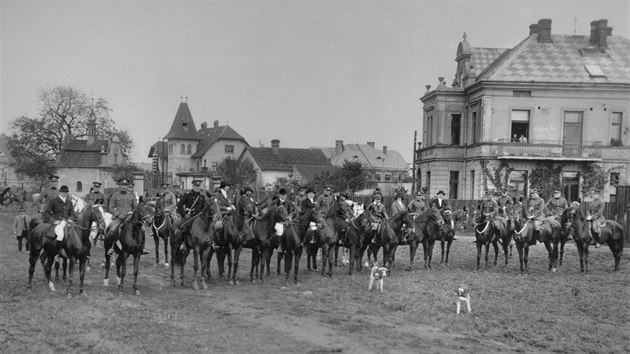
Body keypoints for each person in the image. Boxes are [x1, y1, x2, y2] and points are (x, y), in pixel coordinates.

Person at [42, 185, 76, 255]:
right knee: (60, 235)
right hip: (58, 222)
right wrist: (54, 221)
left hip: (67, 222)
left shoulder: (69, 202)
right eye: (63, 192)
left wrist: (70, 219)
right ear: (60, 192)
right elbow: (47, 213)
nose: (64, 193)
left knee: (76, 234)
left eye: (66, 192)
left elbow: (72, 214)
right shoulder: (54, 201)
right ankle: (57, 254)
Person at [107, 179, 138, 254]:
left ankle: (141, 248)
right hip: (119, 219)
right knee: (111, 231)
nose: (124, 187)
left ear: (127, 186)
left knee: (141, 229)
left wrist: (132, 214)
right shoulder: (115, 195)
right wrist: (118, 214)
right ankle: (111, 248)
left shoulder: (132, 196)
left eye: (125, 185)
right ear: (119, 186)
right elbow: (110, 208)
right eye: (122, 185)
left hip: (130, 219)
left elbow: (136, 208)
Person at [176, 180, 207, 251]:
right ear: (193, 186)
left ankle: (210, 242)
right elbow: (179, 205)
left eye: (199, 186)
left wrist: (202, 212)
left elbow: (204, 207)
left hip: (199, 216)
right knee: (184, 227)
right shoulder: (187, 195)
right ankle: (183, 243)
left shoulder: (202, 196)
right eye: (196, 186)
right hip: (189, 216)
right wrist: (184, 214)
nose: (197, 188)